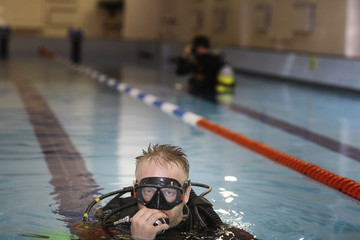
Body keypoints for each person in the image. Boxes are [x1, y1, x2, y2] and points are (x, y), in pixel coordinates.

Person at [80, 144, 257, 240]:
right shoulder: (115, 217)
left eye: (169, 192)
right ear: (135, 190)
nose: (158, 203)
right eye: (148, 190)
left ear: (186, 194)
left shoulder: (204, 223)